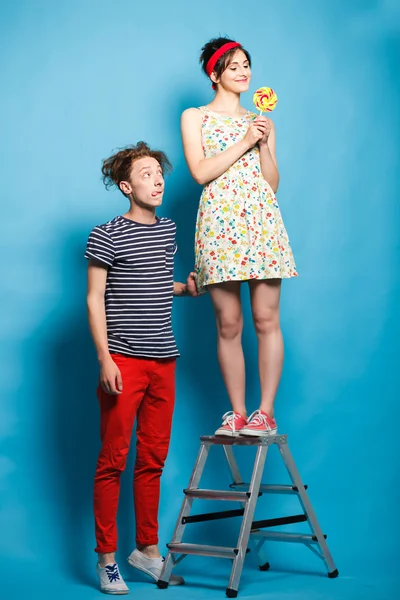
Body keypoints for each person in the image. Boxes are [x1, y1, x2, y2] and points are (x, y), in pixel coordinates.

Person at [85, 142, 197, 594]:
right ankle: (107, 559)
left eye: (159, 173)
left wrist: (185, 290)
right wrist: (104, 358)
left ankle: (147, 550)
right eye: (148, 174)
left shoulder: (168, 229)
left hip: (164, 361)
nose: (158, 180)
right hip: (123, 361)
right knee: (113, 460)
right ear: (128, 186)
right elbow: (95, 297)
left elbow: (152, 284)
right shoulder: (106, 234)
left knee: (152, 459)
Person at [181, 37, 297, 438]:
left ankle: (265, 412)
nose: (244, 71)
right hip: (219, 223)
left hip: (262, 222)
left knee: (266, 319)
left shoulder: (262, 120)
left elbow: (272, 183)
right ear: (214, 75)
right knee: (228, 323)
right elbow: (199, 172)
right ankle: (238, 413)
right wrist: (245, 141)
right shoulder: (194, 116)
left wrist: (263, 143)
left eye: (246, 64)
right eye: (233, 66)